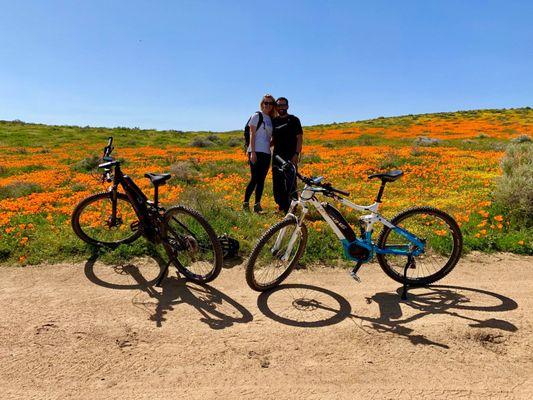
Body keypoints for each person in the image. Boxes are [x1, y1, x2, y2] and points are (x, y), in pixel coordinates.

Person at [243, 94, 277, 213]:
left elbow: (270, 138)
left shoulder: (271, 119)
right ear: (262, 104)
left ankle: (257, 205)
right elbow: (252, 134)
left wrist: (269, 145)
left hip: (266, 153)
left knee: (261, 179)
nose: (268, 105)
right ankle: (245, 203)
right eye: (265, 103)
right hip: (255, 151)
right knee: (254, 178)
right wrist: (252, 152)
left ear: (273, 106)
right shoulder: (257, 116)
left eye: (270, 103)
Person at [272, 96, 303, 213]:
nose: (281, 107)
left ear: (287, 106)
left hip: (291, 155)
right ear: (276, 107)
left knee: (291, 182)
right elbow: (273, 139)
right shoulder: (274, 121)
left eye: (283, 105)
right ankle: (282, 206)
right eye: (279, 105)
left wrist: (296, 154)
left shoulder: (294, 120)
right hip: (277, 156)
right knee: (278, 182)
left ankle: (292, 207)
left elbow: (299, 138)